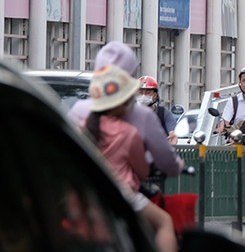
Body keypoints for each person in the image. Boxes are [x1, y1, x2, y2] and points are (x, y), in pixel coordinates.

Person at [81, 64, 179, 252]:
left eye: (146, 92)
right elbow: (142, 170)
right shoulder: (127, 131)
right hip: (123, 194)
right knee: (164, 222)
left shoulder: (84, 126)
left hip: (89, 193)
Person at [69, 41, 183, 182]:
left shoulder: (79, 112)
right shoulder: (139, 122)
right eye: (140, 91)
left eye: (147, 91)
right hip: (126, 192)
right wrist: (177, 166)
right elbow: (154, 165)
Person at [218, 66, 245, 136]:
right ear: (240, 82)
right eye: (244, 80)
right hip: (237, 138)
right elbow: (225, 121)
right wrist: (223, 126)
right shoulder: (233, 101)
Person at [137, 75, 179, 143]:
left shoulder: (163, 113)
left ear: (155, 95)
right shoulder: (129, 114)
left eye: (148, 93)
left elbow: (173, 136)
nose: (143, 96)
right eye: (140, 92)